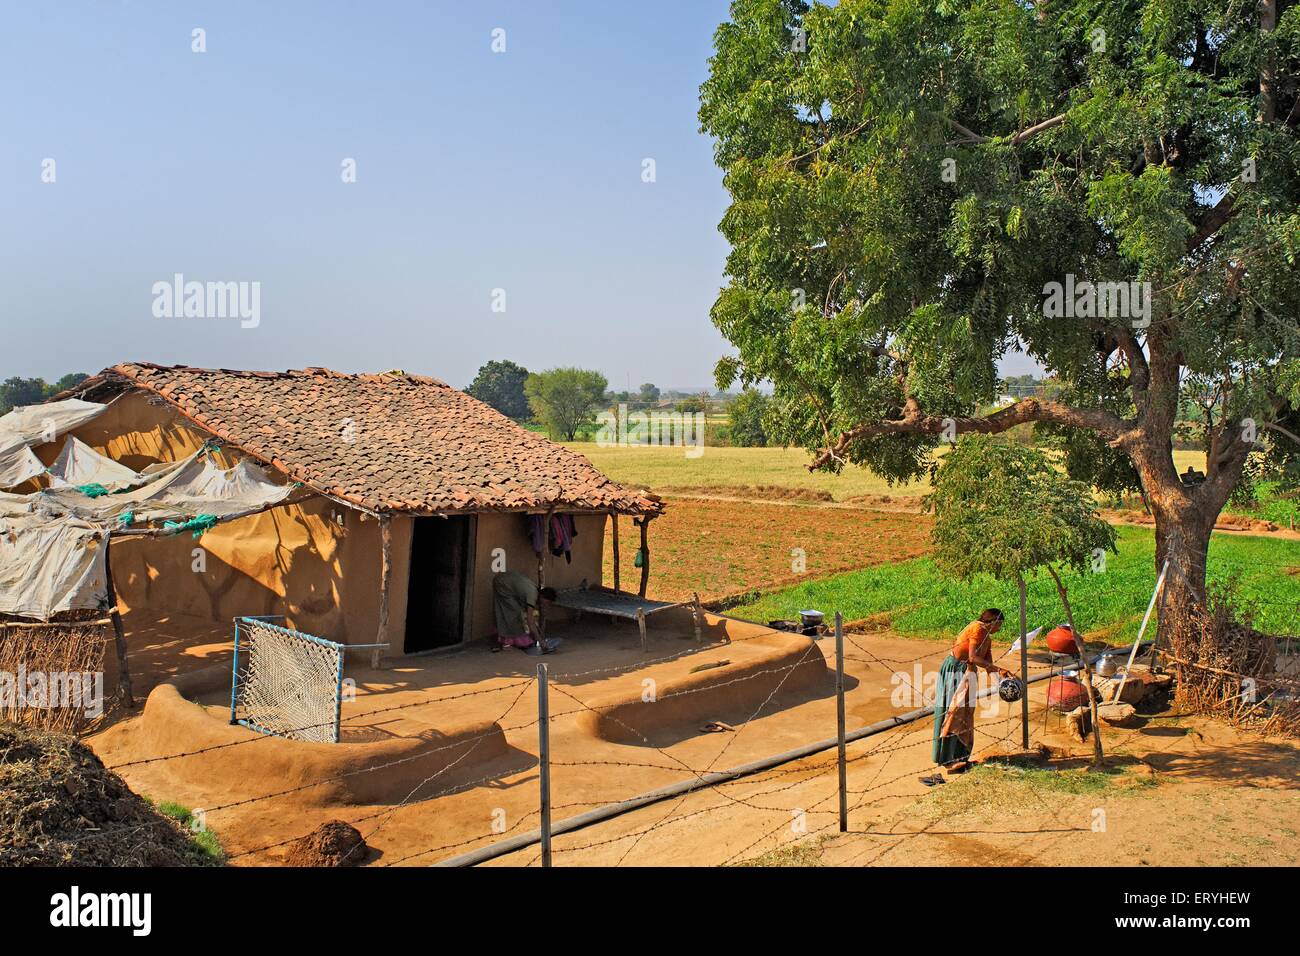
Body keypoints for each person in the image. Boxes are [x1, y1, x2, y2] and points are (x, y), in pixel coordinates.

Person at [930, 608, 1014, 776]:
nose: (1000, 628)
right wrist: (998, 668)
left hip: (968, 672)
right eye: (1000, 624)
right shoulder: (977, 629)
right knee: (953, 713)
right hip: (955, 670)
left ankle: (960, 757)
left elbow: (988, 665)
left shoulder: (987, 639)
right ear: (993, 622)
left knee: (965, 714)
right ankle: (947, 760)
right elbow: (973, 657)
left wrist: (1003, 681)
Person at [491, 570, 561, 655]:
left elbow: (530, 618)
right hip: (502, 583)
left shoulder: (534, 592)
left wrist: (537, 631)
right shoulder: (532, 595)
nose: (546, 605)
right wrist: (541, 641)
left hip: (504, 581)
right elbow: (530, 620)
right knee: (514, 614)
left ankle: (503, 639)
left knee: (510, 612)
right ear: (542, 597)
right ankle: (507, 641)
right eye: (547, 602)